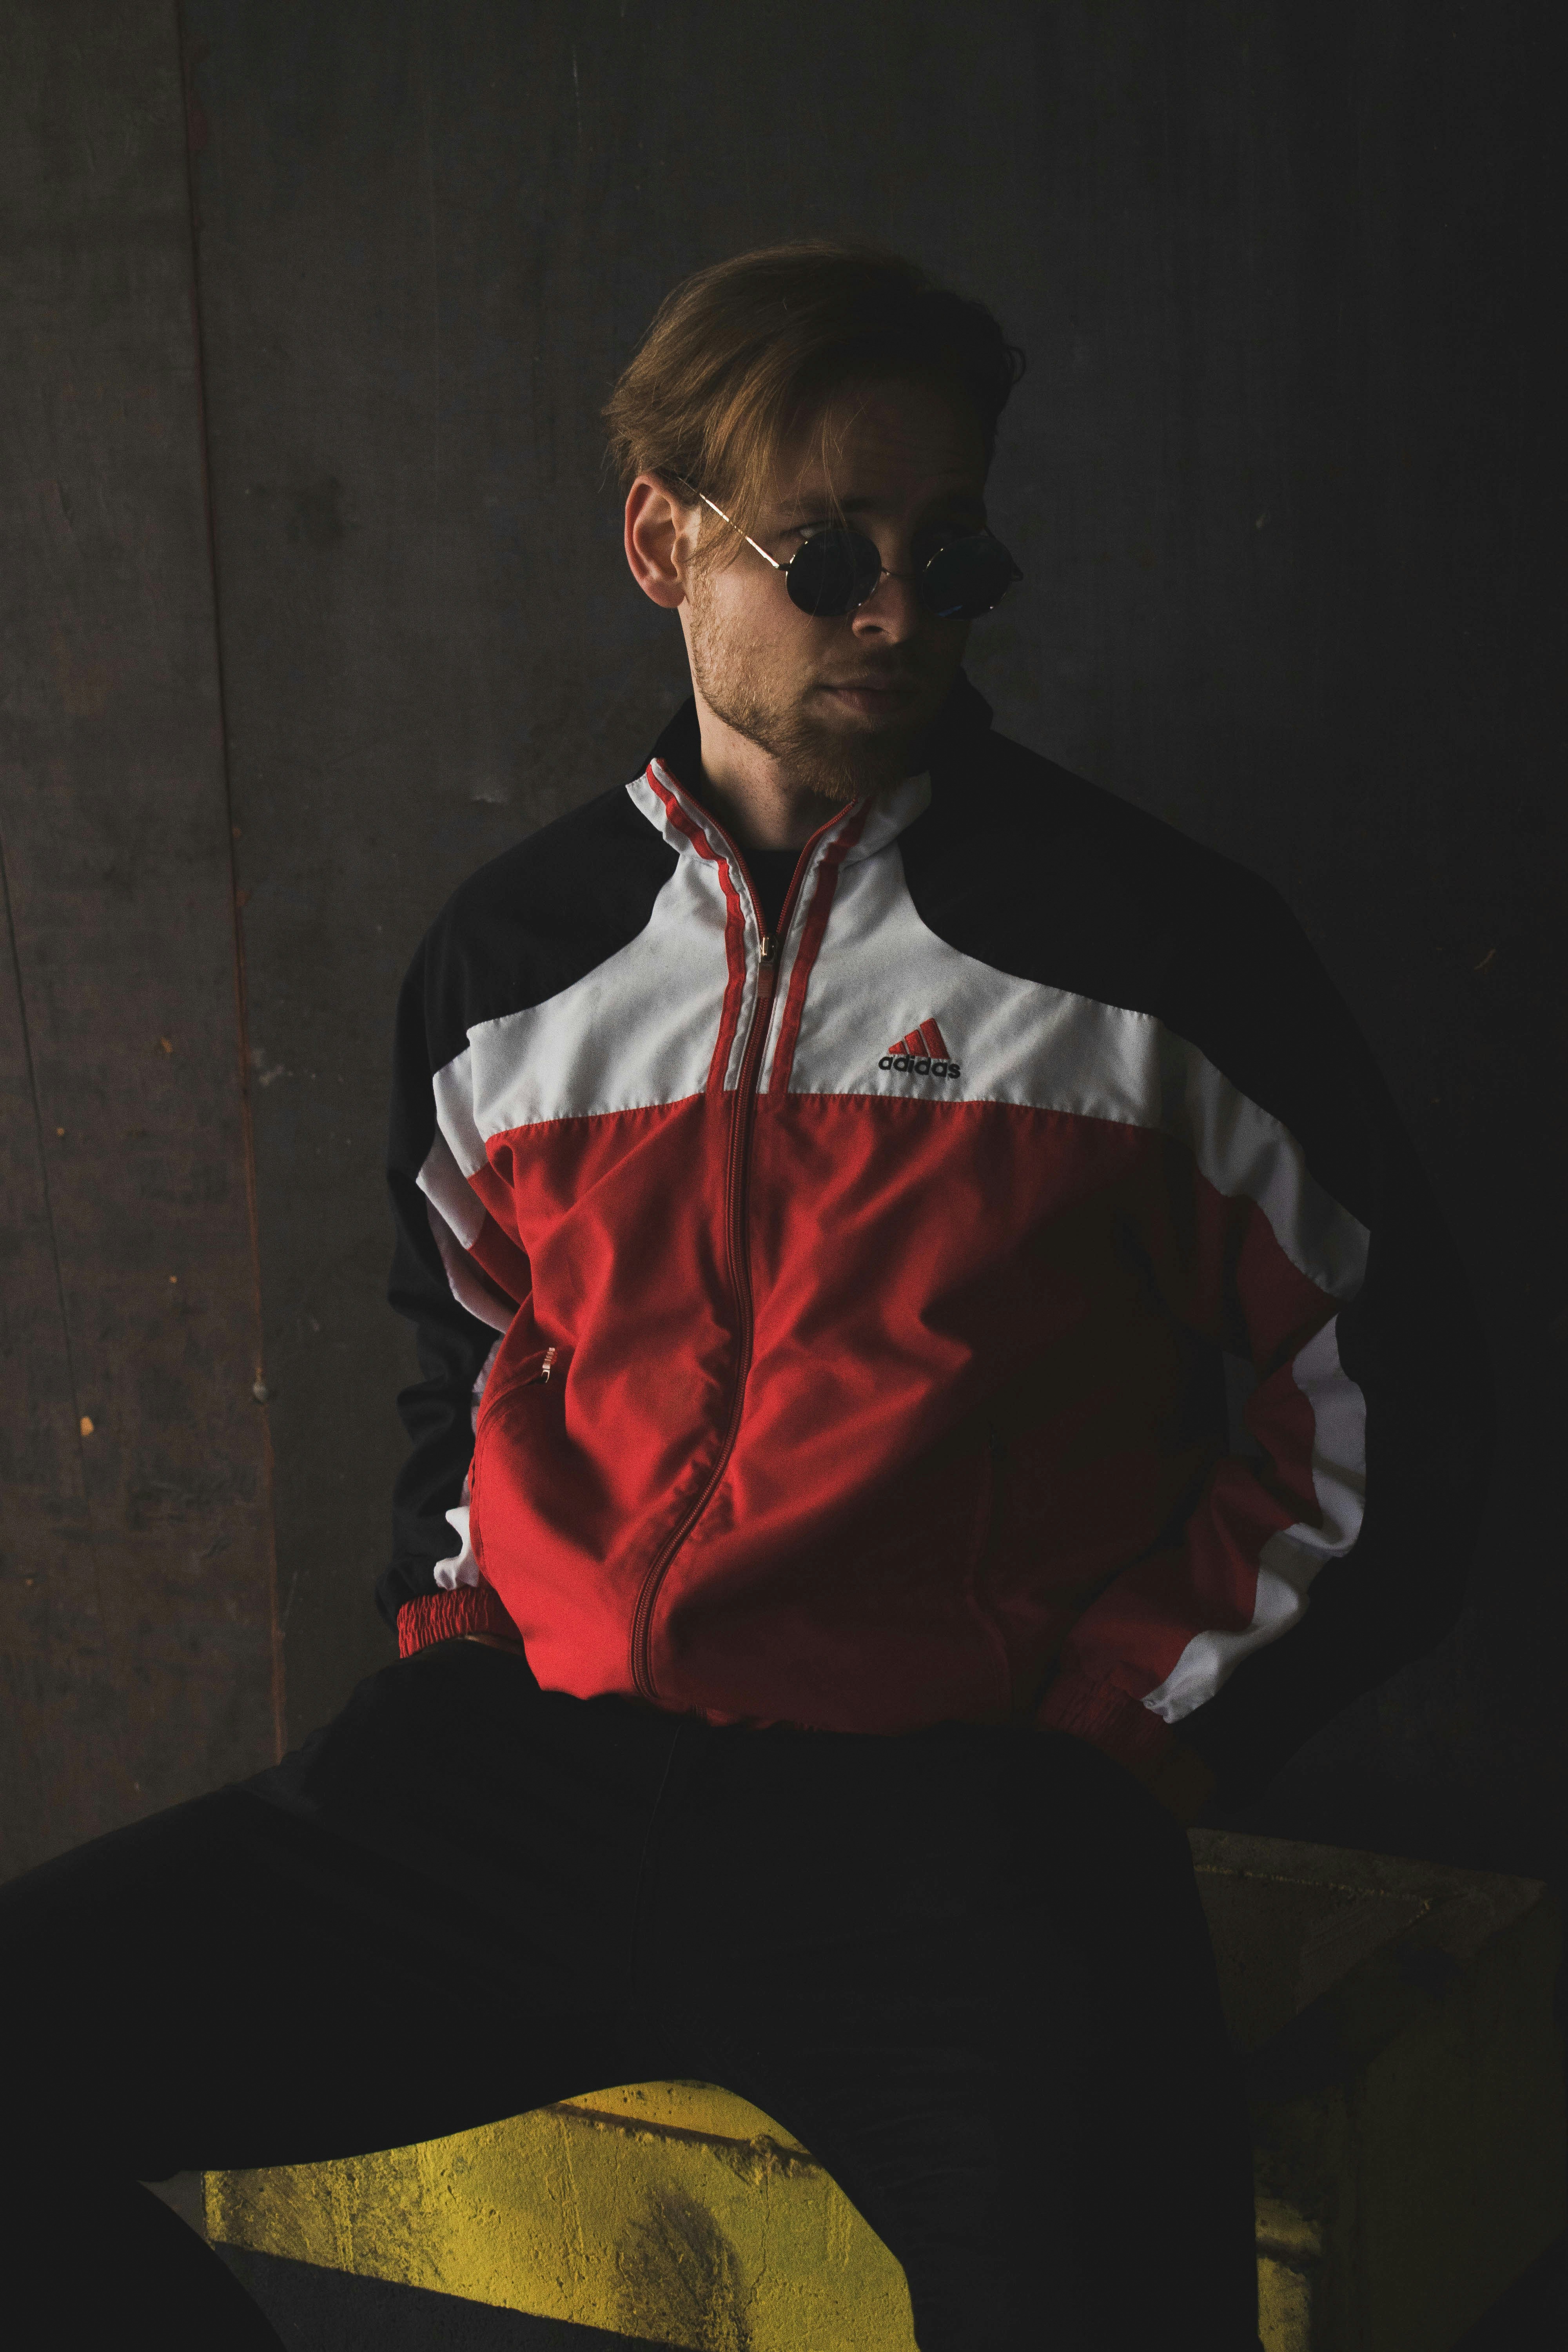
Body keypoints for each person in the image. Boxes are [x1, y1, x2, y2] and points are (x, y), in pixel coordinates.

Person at [0, 243, 1488, 2351]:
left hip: (957, 1842)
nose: (899, 608)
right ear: (663, 539)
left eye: (948, 549)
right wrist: (461, 1638)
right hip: (530, 1786)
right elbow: (472, 1357)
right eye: (829, 549)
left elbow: (1389, 1414)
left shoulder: (1156, 954)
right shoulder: (505, 969)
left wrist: (1105, 1753)